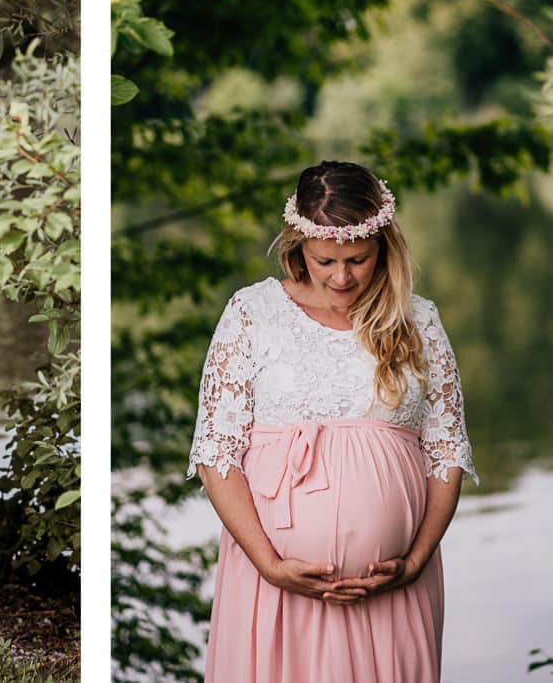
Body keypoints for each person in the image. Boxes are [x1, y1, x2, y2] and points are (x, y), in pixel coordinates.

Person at [188, 160, 475, 682]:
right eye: (325, 260)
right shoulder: (253, 312)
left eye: (359, 260)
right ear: (298, 246)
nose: (341, 277)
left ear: (383, 246)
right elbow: (215, 453)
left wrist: (414, 560)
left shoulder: (419, 320)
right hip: (274, 585)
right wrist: (270, 564)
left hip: (393, 593)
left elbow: (448, 453)